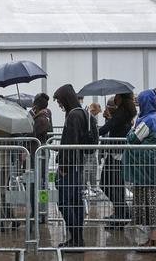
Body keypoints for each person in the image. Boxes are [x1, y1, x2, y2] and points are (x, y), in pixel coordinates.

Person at [122, 89, 156, 250]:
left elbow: (133, 138)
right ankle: (155, 237)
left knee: (149, 204)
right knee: (155, 201)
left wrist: (133, 127)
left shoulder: (147, 121)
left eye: (139, 101)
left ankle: (153, 240)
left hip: (145, 169)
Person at [53, 84, 92, 249]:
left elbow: (71, 142)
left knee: (64, 202)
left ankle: (76, 238)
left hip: (70, 167)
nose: (59, 104)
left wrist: (63, 167)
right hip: (77, 165)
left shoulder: (73, 116)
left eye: (60, 101)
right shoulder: (82, 113)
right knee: (76, 202)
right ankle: (77, 239)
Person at [97, 93, 136, 225]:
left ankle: (121, 214)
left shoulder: (122, 113)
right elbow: (114, 125)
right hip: (117, 153)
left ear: (122, 99)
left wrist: (92, 134)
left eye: (117, 97)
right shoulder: (124, 113)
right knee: (113, 184)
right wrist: (110, 119)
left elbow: (108, 128)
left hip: (117, 154)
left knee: (110, 184)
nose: (115, 99)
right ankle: (123, 213)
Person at [29, 93, 52, 224]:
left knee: (36, 183)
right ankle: (40, 212)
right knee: (40, 183)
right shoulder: (44, 116)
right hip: (40, 154)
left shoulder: (41, 119)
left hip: (36, 154)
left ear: (36, 105)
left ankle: (37, 212)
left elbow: (31, 134)